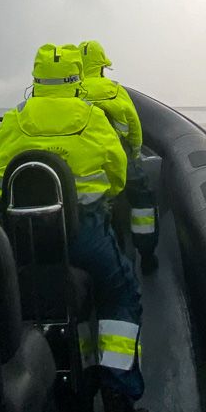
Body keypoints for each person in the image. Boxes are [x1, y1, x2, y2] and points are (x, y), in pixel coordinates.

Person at [0, 44, 151, 412]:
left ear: (36, 79)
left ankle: (68, 398)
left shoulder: (15, 120)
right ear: (77, 78)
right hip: (85, 233)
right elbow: (118, 174)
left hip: (26, 243)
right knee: (122, 295)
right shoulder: (93, 117)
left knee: (45, 305)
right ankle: (117, 401)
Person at [79, 40, 159, 273]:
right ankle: (147, 254)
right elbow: (134, 129)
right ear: (102, 67)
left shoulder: (72, 95)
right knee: (142, 198)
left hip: (86, 163)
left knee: (96, 207)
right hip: (120, 158)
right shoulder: (115, 90)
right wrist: (134, 155)